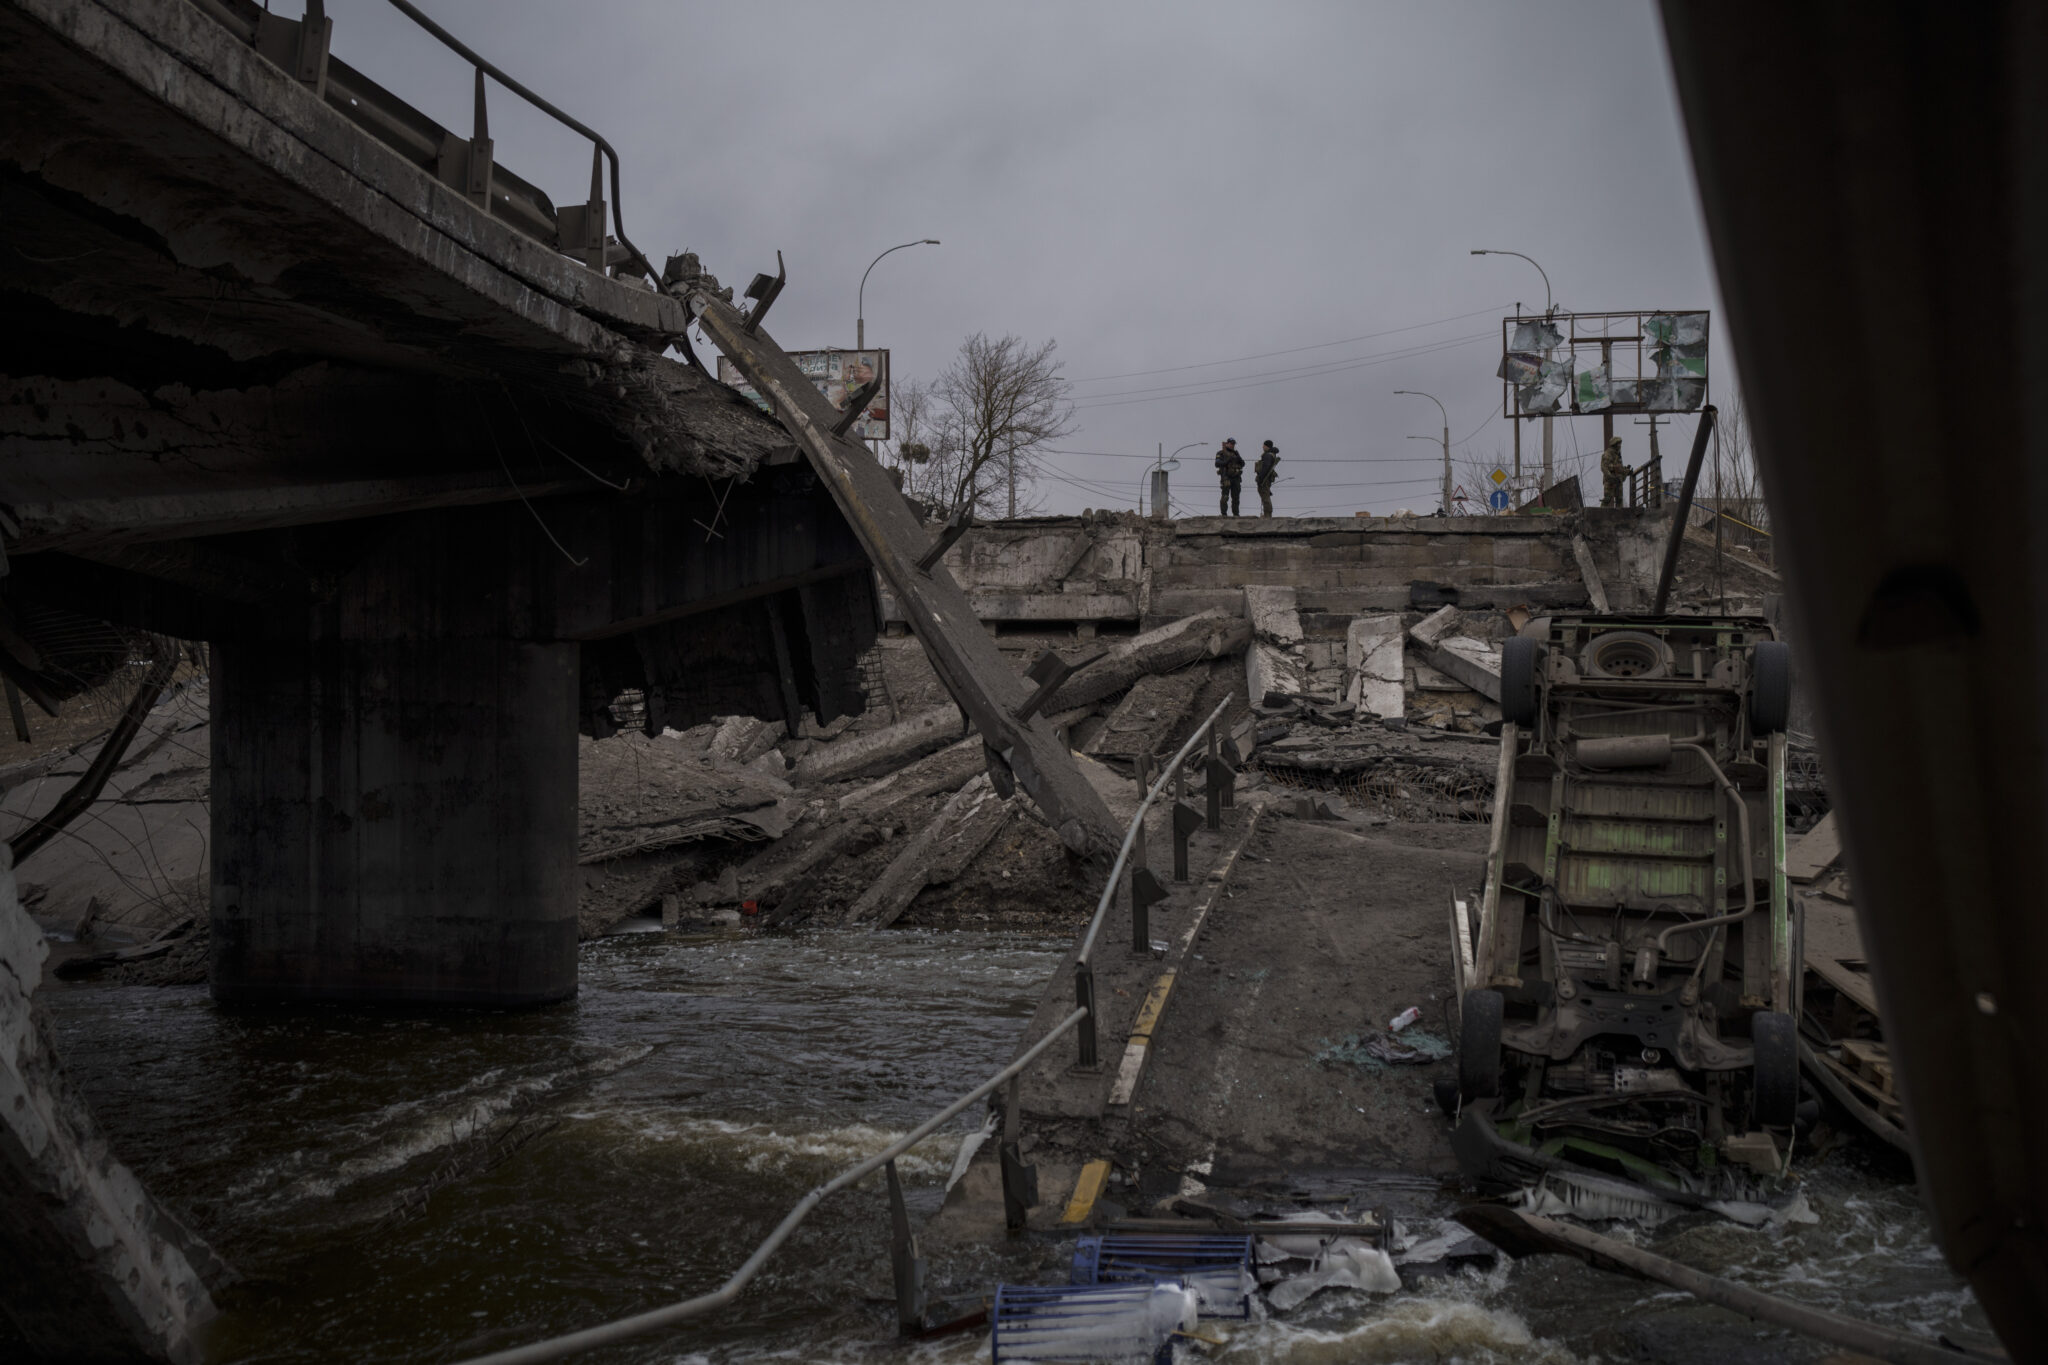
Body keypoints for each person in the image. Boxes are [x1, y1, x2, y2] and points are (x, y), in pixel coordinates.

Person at [1215, 438, 1244, 516]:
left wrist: (1239, 458)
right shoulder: (1221, 453)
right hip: (1226, 477)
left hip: (1236, 478)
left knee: (1236, 498)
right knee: (1225, 496)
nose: (1232, 445)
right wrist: (1227, 461)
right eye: (1231, 444)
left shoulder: (1236, 453)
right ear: (1227, 444)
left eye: (1233, 444)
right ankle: (1224, 514)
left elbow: (1243, 464)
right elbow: (1217, 463)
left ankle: (1236, 514)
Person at [1254, 440, 1281, 517]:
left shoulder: (1268, 455)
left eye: (1264, 445)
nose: (1263, 447)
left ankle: (1267, 515)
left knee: (1265, 496)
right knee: (1265, 495)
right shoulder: (1272, 454)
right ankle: (1267, 514)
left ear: (1267, 446)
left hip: (1265, 479)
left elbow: (1266, 467)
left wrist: (1260, 478)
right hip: (1266, 479)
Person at [1600, 436, 1626, 507]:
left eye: (1620, 444)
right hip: (1610, 480)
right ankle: (1601, 511)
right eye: (1618, 444)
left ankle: (1619, 513)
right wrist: (1611, 476)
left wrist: (1625, 472)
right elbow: (1604, 467)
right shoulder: (1608, 454)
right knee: (1607, 498)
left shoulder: (1618, 455)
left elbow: (1620, 467)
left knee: (1619, 499)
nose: (1620, 445)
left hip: (1618, 479)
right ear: (1614, 444)